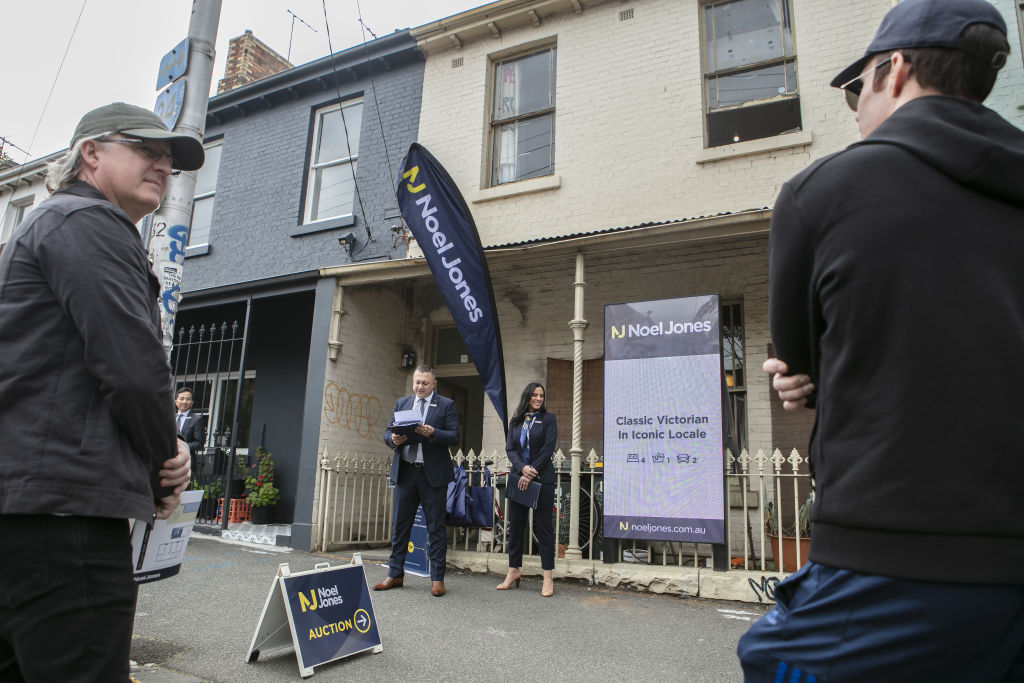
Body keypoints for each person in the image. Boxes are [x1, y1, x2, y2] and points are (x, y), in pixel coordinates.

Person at [737, 1, 1024, 680]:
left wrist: (796, 376)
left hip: (891, 554)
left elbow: (800, 365)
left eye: (856, 89)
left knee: (771, 660)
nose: (858, 108)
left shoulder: (820, 192)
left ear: (893, 70)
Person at [0, 102, 202, 682]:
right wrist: (167, 464)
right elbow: (133, 368)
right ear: (91, 153)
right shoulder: (90, 223)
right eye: (146, 151)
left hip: (26, 510)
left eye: (169, 159)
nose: (163, 166)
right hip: (65, 523)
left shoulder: (47, 227)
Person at [376, 365, 460, 597]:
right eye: (417, 382)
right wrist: (392, 439)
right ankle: (395, 574)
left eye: (424, 383)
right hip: (406, 472)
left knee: (435, 528)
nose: (420, 387)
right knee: (400, 526)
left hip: (432, 475)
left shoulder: (446, 405)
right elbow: (386, 432)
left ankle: (437, 578)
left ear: (434, 384)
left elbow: (454, 436)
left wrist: (432, 433)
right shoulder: (402, 403)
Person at [497, 382, 558, 597]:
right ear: (527, 397)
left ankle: (548, 576)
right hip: (518, 478)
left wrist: (531, 470)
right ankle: (513, 570)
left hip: (543, 478)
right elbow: (510, 449)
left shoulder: (548, 419)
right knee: (516, 526)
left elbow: (549, 447)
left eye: (541, 395)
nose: (539, 398)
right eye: (535, 395)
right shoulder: (516, 421)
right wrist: (522, 469)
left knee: (544, 528)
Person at [175, 386, 207, 455]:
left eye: (188, 399)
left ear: (192, 402)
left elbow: (199, 444)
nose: (184, 402)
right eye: (182, 399)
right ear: (176, 401)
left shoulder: (197, 420)